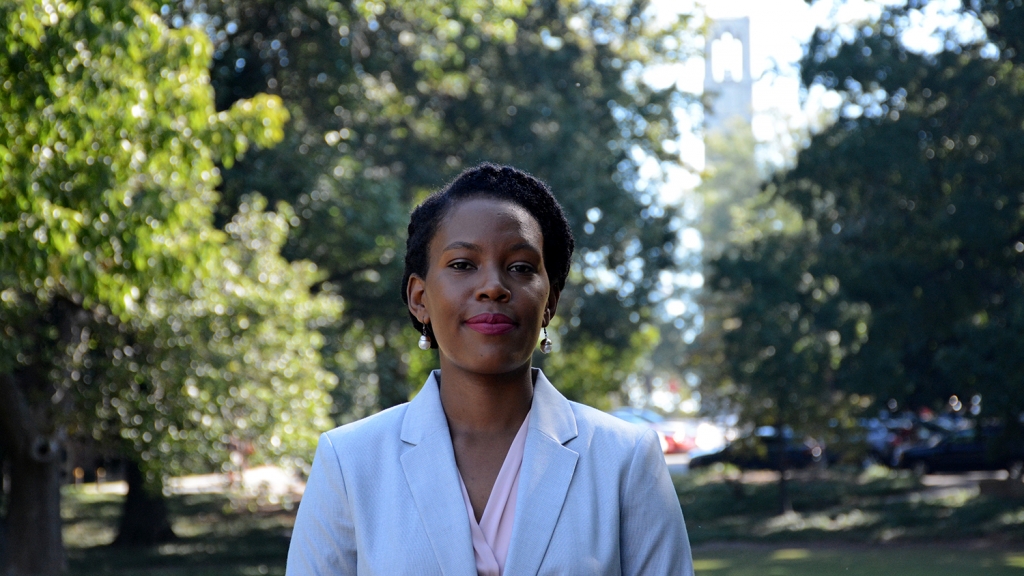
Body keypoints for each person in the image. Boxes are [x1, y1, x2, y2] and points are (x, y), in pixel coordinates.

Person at [286, 163, 693, 575]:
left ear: (549, 300)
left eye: (520, 267)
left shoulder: (624, 460)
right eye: (463, 264)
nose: (493, 286)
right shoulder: (351, 462)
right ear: (419, 298)